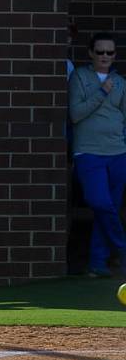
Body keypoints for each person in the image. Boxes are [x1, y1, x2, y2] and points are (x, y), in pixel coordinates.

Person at [68, 32, 126, 278]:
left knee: (109, 207)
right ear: (91, 53)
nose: (105, 56)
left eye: (109, 52)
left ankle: (97, 263)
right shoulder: (80, 77)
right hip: (88, 152)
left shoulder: (121, 82)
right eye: (100, 52)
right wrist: (102, 92)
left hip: (118, 152)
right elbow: (76, 114)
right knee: (100, 203)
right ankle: (123, 251)